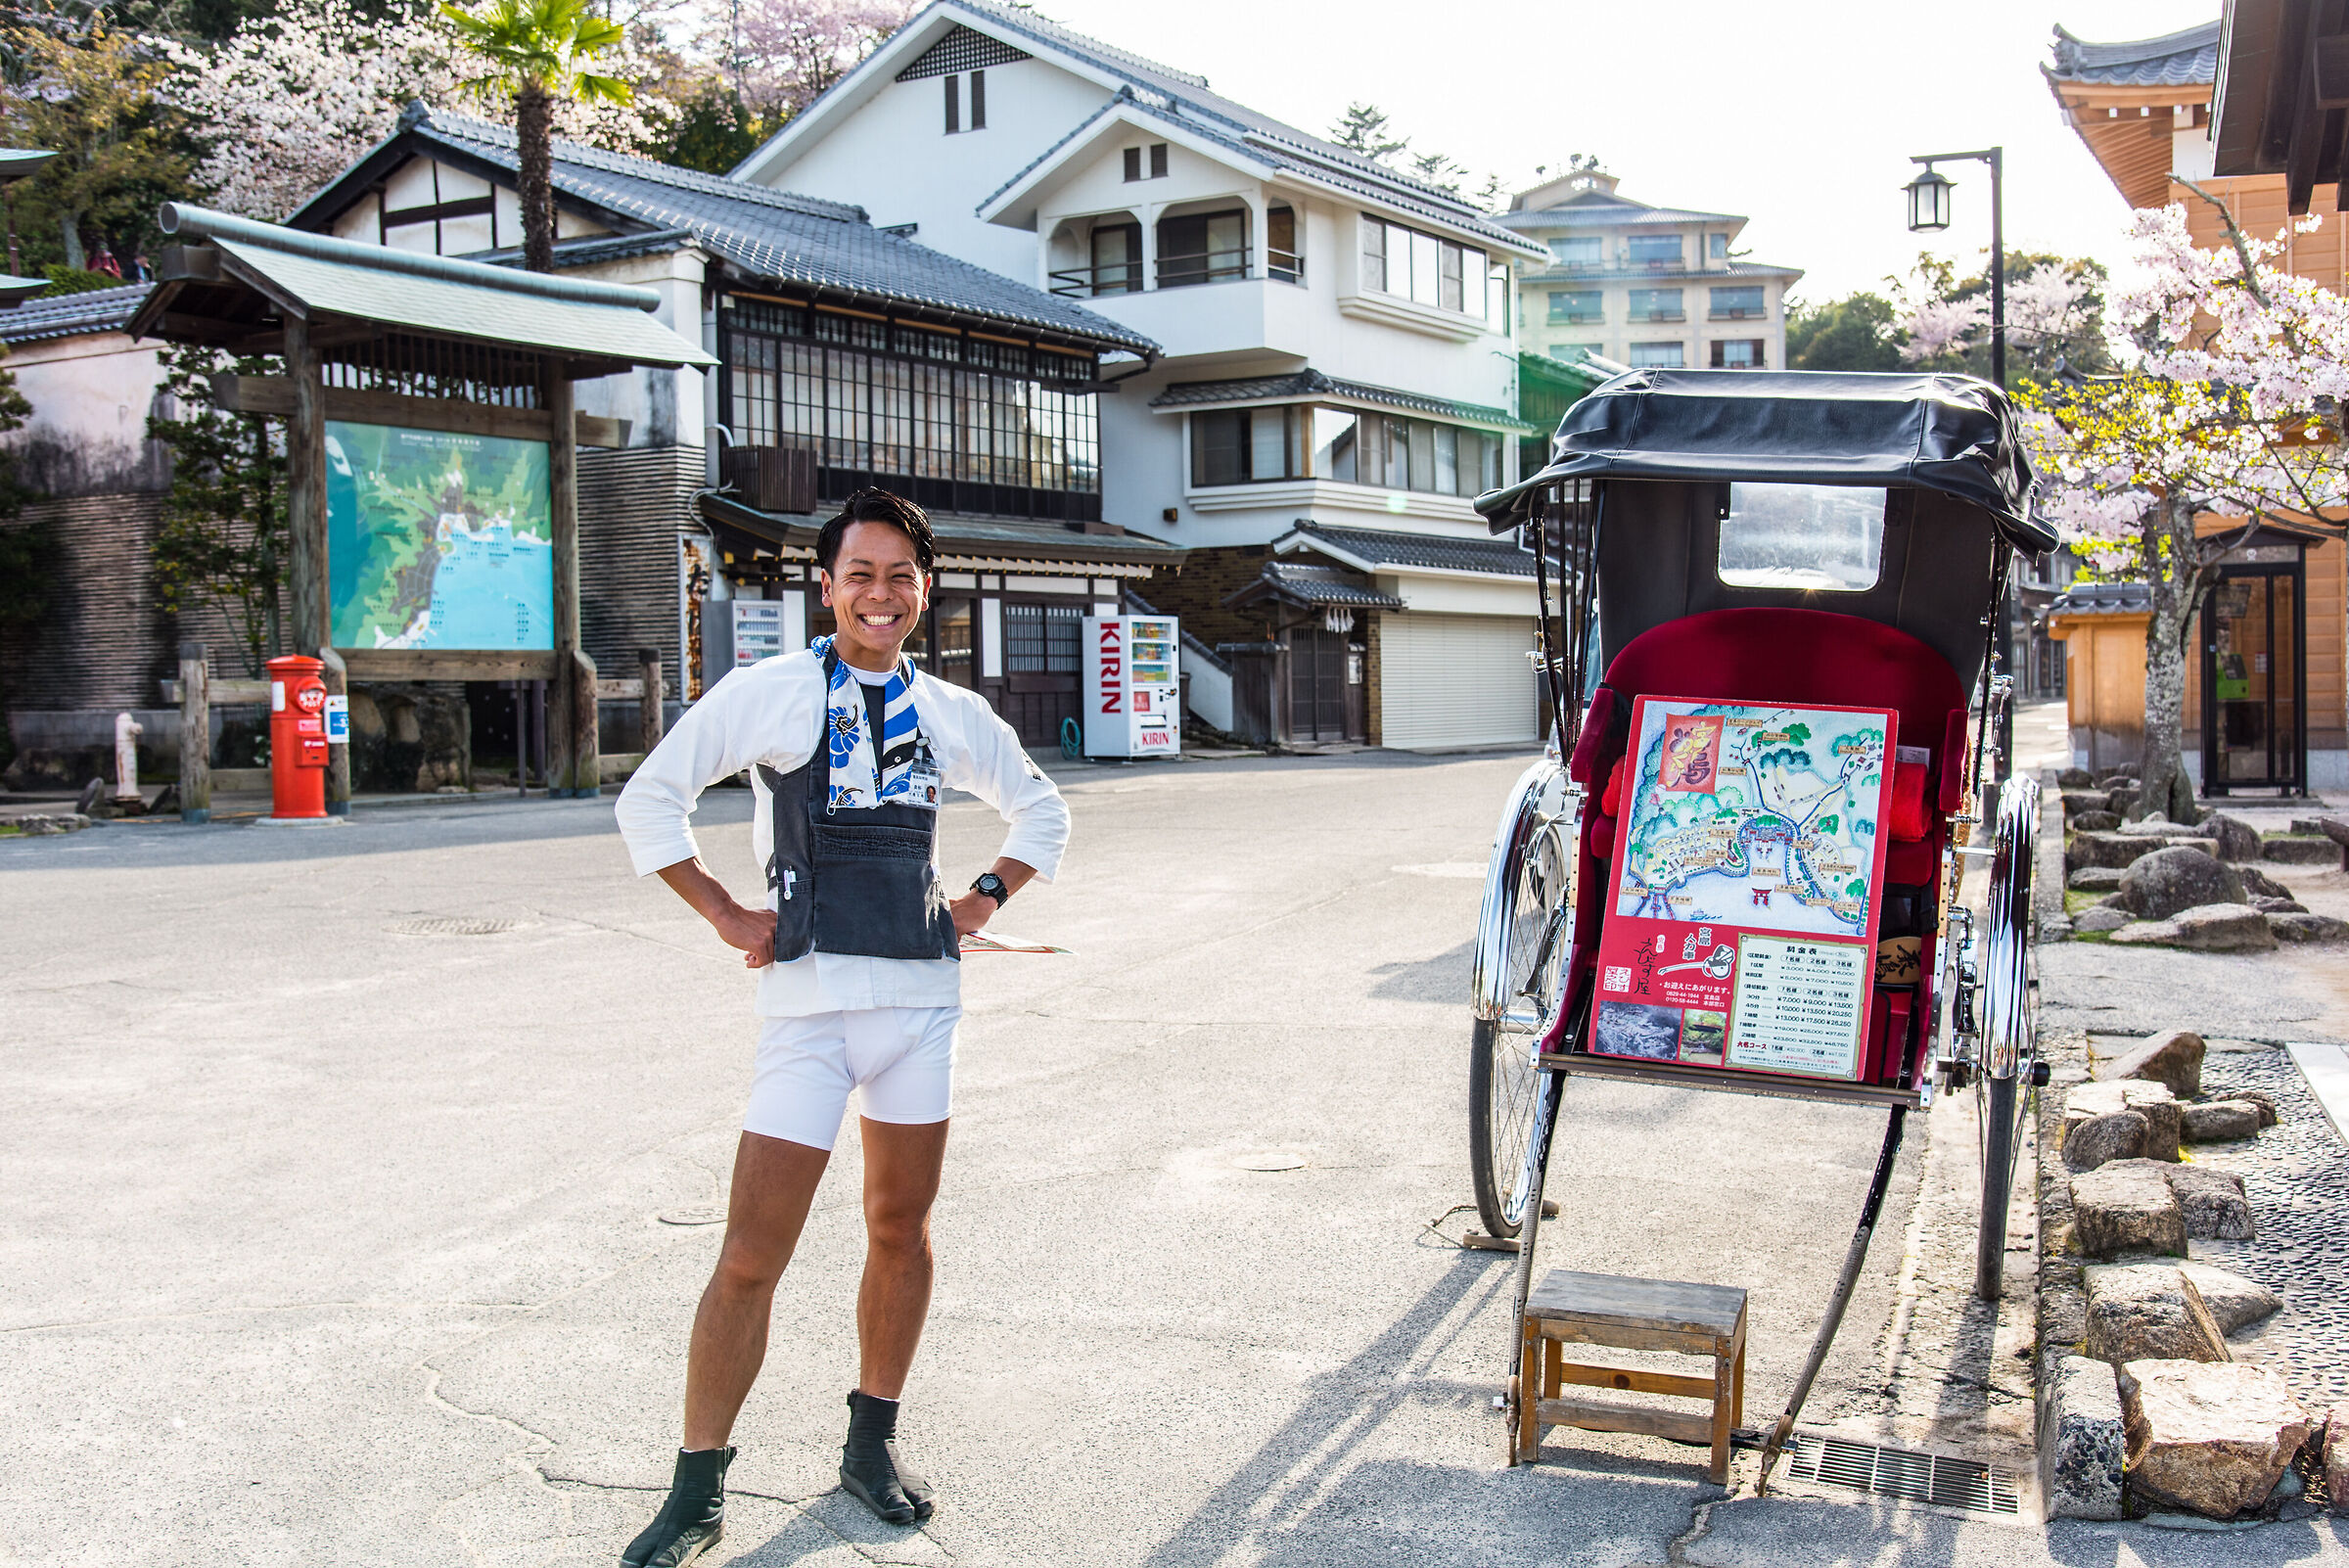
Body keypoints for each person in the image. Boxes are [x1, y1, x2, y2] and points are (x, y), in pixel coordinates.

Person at [612, 488, 1069, 1565]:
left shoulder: (951, 711)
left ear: (924, 589)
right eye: (860, 574)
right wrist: (725, 913)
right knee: (750, 1255)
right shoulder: (772, 692)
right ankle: (697, 1490)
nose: (880, 594)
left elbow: (1043, 809)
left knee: (901, 1230)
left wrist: (982, 899)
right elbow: (649, 798)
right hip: (808, 1014)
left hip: (919, 1009)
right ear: (827, 587)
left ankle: (871, 1444)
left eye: (900, 575)